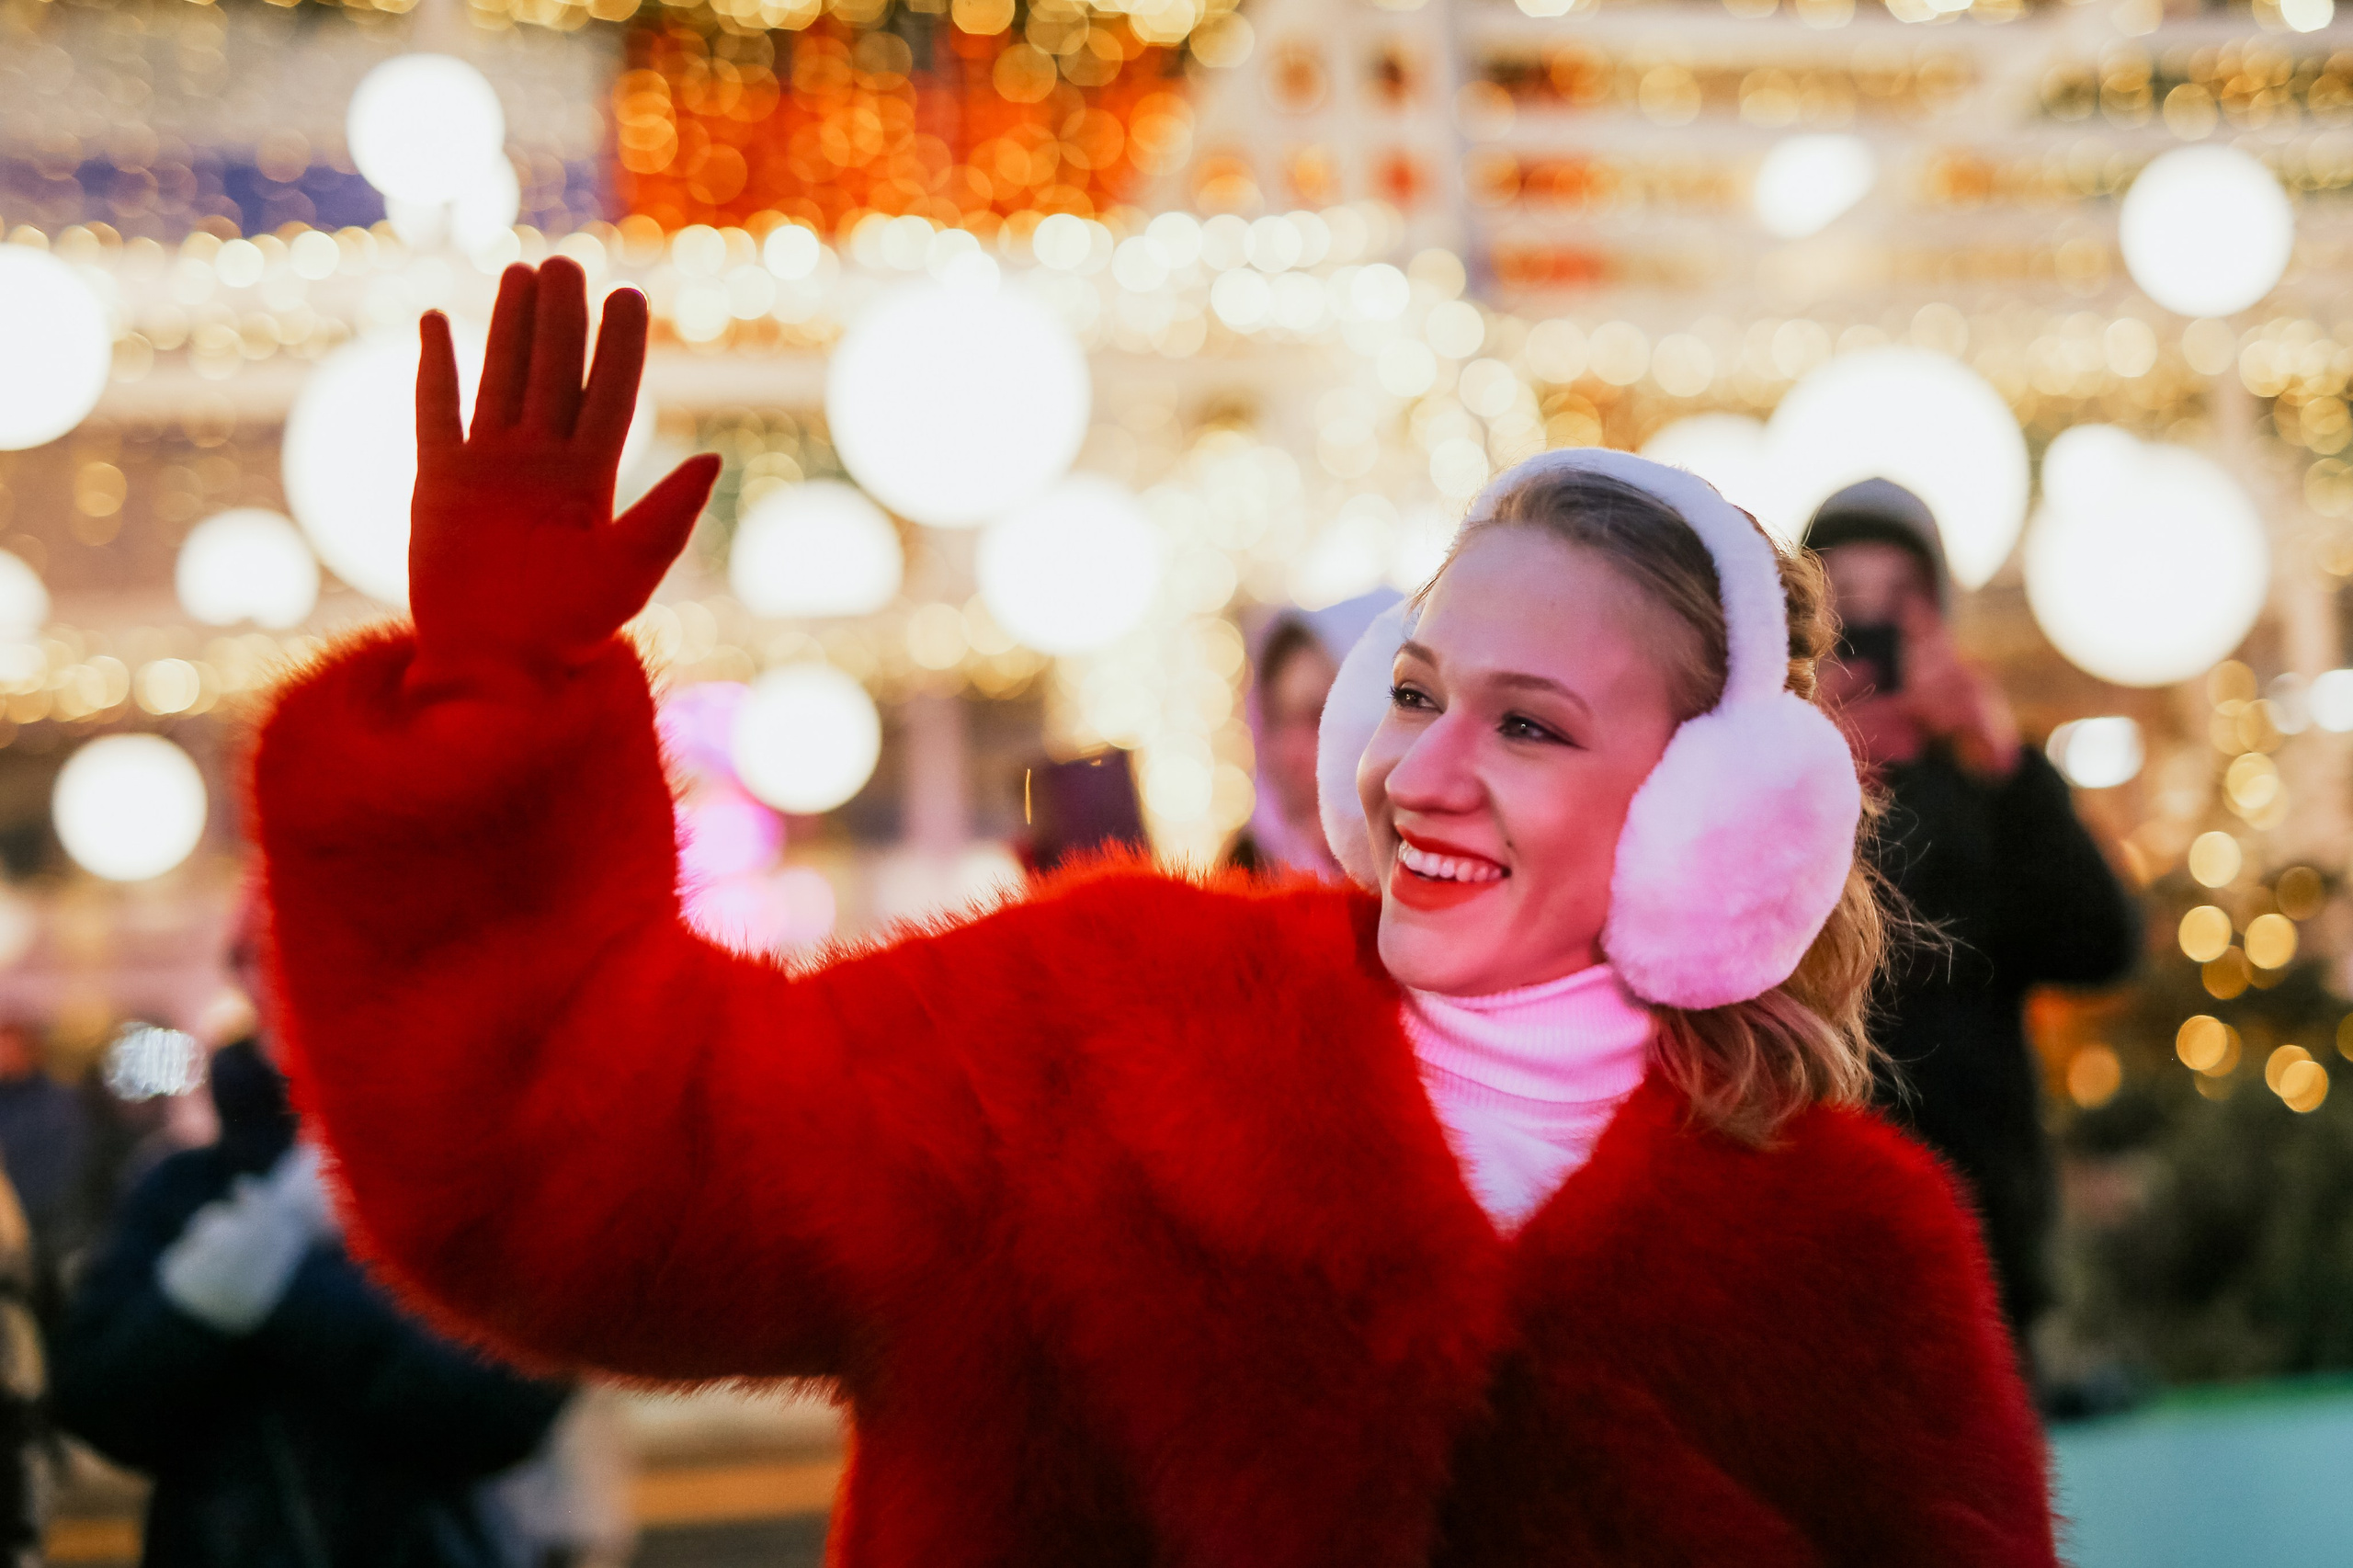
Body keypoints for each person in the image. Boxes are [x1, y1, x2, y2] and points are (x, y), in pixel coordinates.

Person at [246, 259, 2056, 1565]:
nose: (1424, 773)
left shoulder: (1854, 1253)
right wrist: (498, 713)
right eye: (1413, 693)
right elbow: (578, 1171)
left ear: (1707, 814)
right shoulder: (1085, 1026)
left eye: (1527, 725)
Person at [1810, 478, 2141, 1350]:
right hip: (1815, 1206)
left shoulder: (1987, 776)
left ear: (1938, 618)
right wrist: (1809, 762)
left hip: (1981, 1210)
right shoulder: (1775, 779)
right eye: (1845, 604)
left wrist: (1999, 763)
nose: (1870, 628)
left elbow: (2100, 945)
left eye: (1897, 603)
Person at [51, 1030, 571, 1568]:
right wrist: (191, 1312)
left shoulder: (441, 1173)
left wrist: (288, 1288)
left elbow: (506, 1402)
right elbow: (93, 1400)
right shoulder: (178, 1189)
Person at [1227, 591, 1400, 877]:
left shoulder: (1462, 899)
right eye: (1275, 722)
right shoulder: (1236, 885)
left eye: (1321, 718)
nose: (1288, 756)